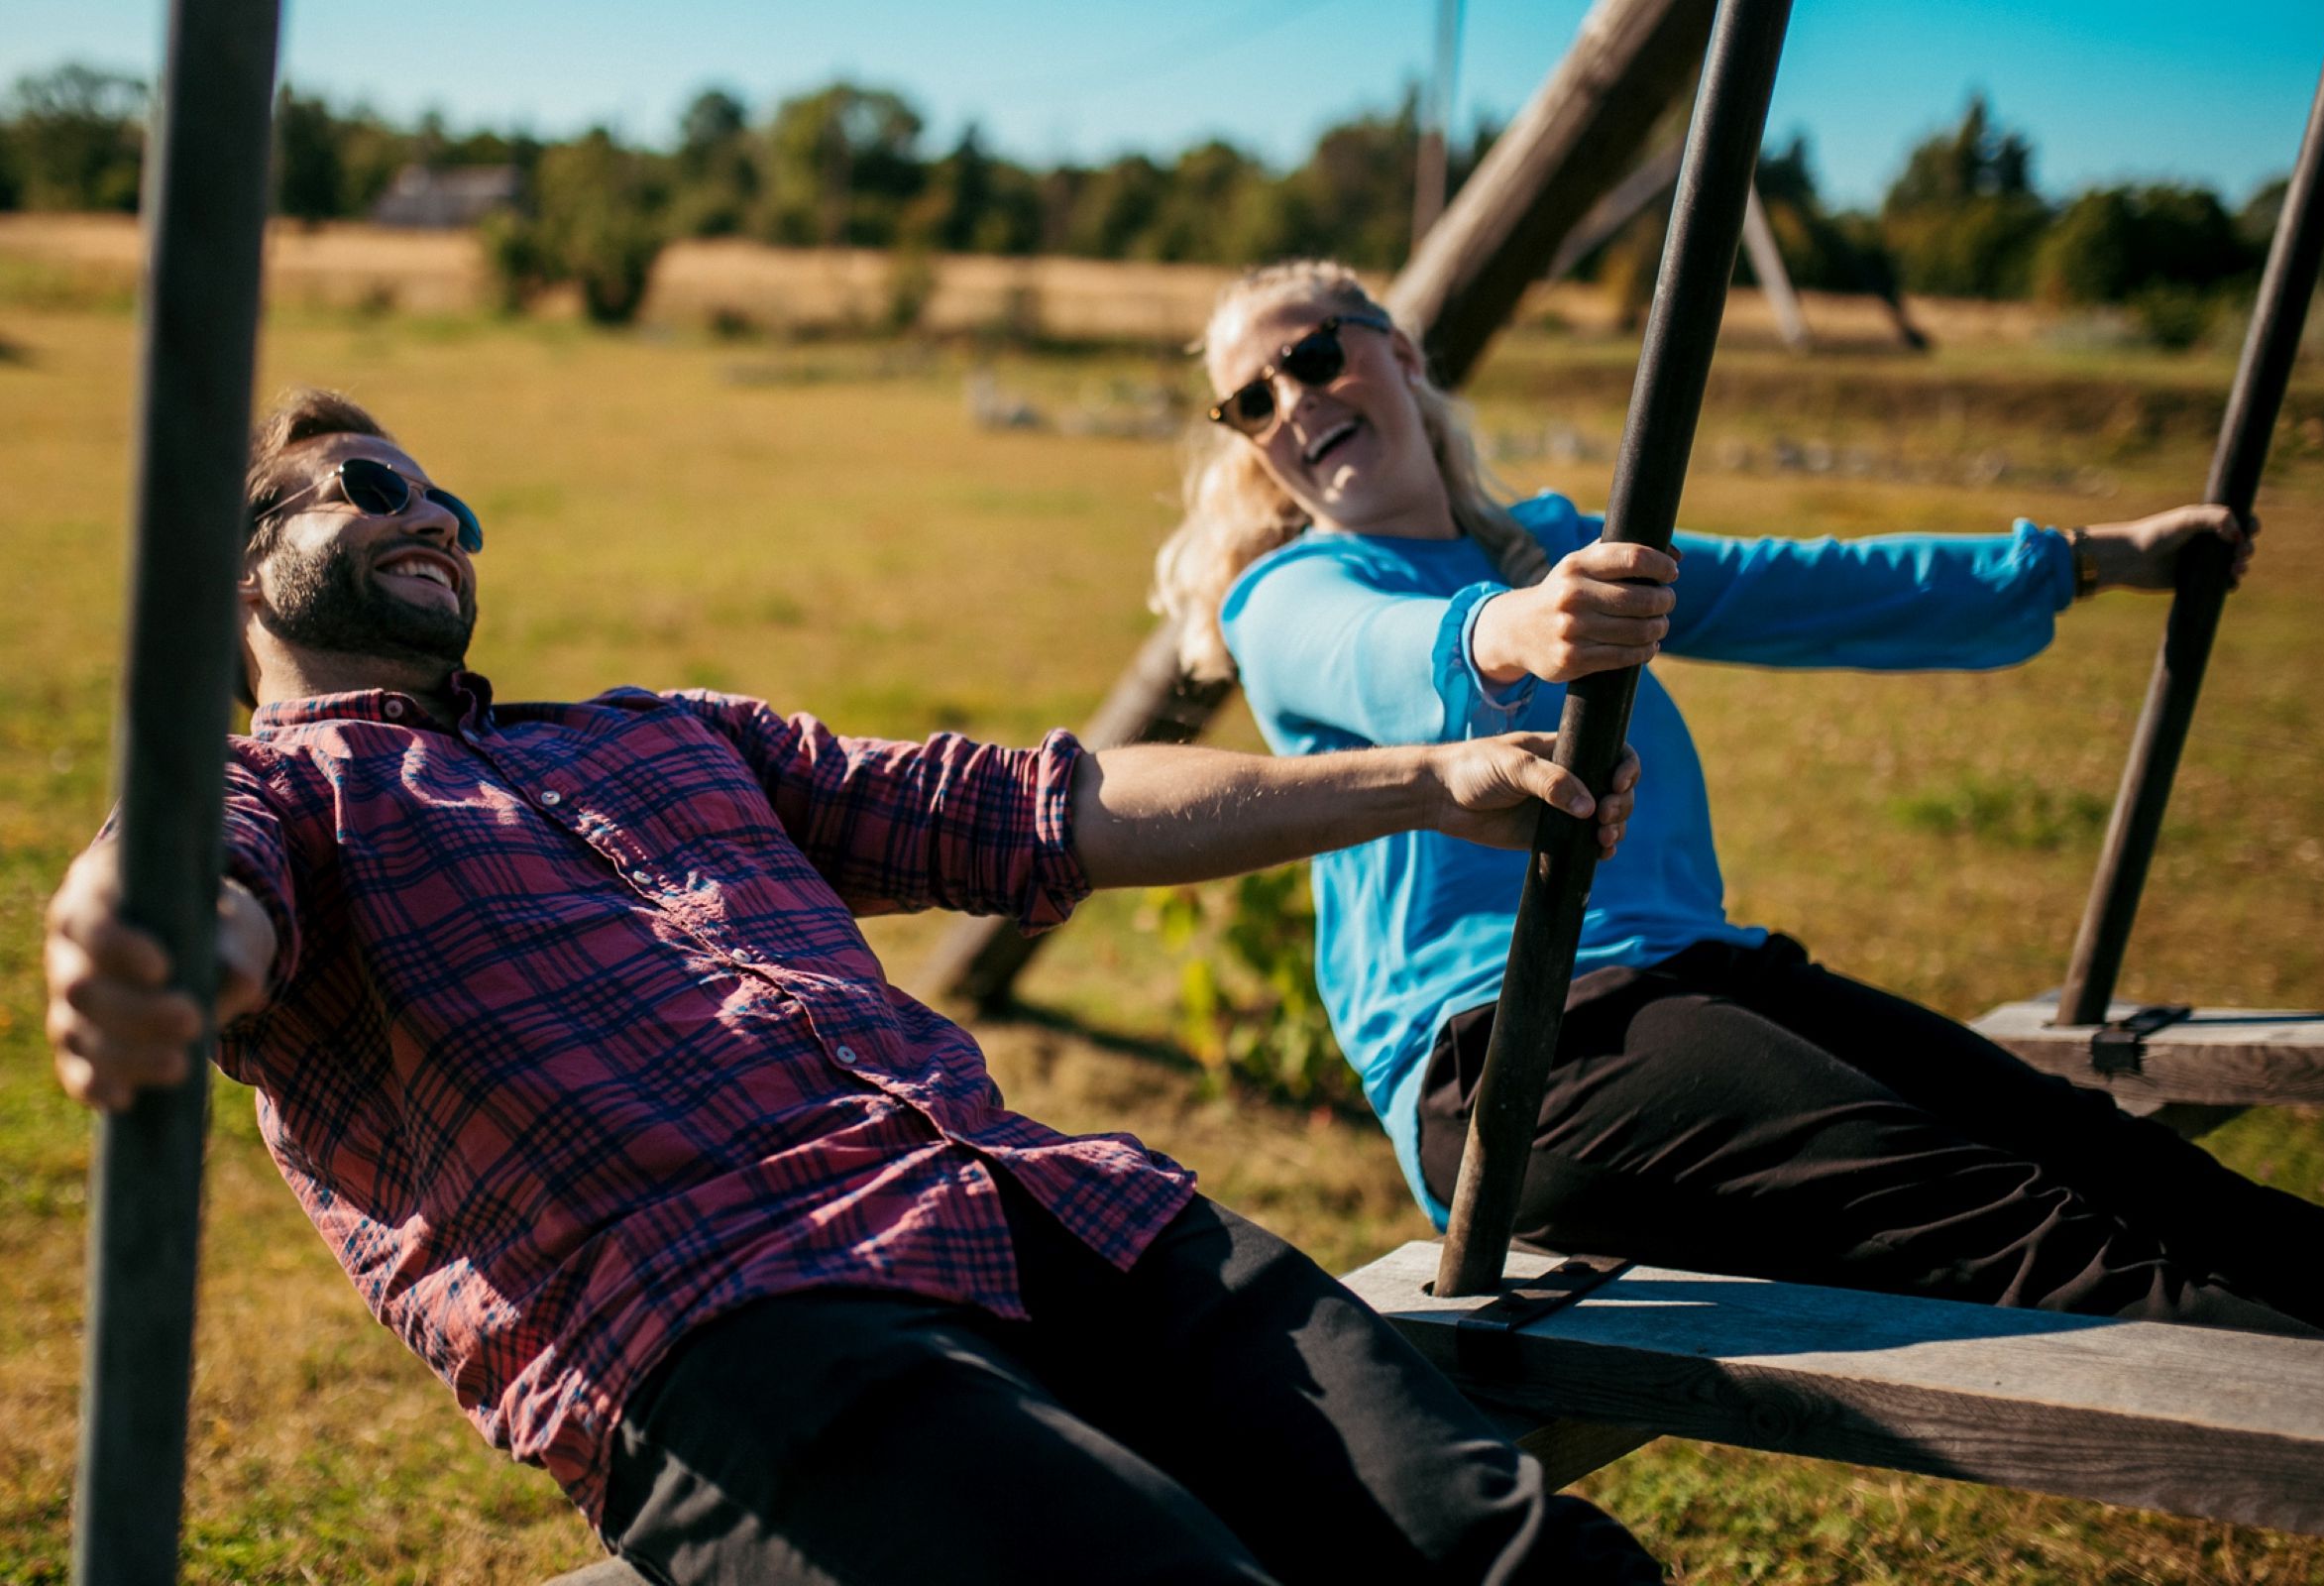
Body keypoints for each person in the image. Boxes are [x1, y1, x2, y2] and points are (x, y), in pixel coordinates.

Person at [43, 389, 1666, 1585]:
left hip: (1066, 1221)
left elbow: (1035, 808)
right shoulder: (273, 796)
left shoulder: (656, 730)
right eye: (372, 487)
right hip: (740, 1331)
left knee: (1516, 1556)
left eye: (449, 505)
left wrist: (1427, 780)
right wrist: (146, 957)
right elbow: (186, 894)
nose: (432, 522)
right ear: (236, 570)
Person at [1153, 258, 2324, 1345]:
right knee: (2034, 1231)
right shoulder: (1291, 596)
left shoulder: (1551, 543)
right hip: (1516, 1053)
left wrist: (2081, 558)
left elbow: (1807, 586)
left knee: (2132, 1168)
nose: (1294, 398)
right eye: (1252, 399)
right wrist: (1517, 631)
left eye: (1316, 355)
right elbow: (1373, 647)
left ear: (1402, 355)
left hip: (1710, 977)